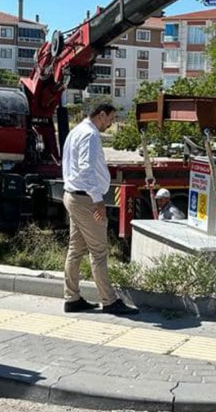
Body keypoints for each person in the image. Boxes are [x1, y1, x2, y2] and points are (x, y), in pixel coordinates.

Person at [62, 103, 139, 315]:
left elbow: (71, 165)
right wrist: (98, 201)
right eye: (111, 118)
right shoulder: (90, 135)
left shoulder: (76, 131)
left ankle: (72, 298)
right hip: (86, 200)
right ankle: (109, 300)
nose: (111, 123)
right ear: (101, 114)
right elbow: (86, 171)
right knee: (99, 251)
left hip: (73, 196)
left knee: (75, 250)